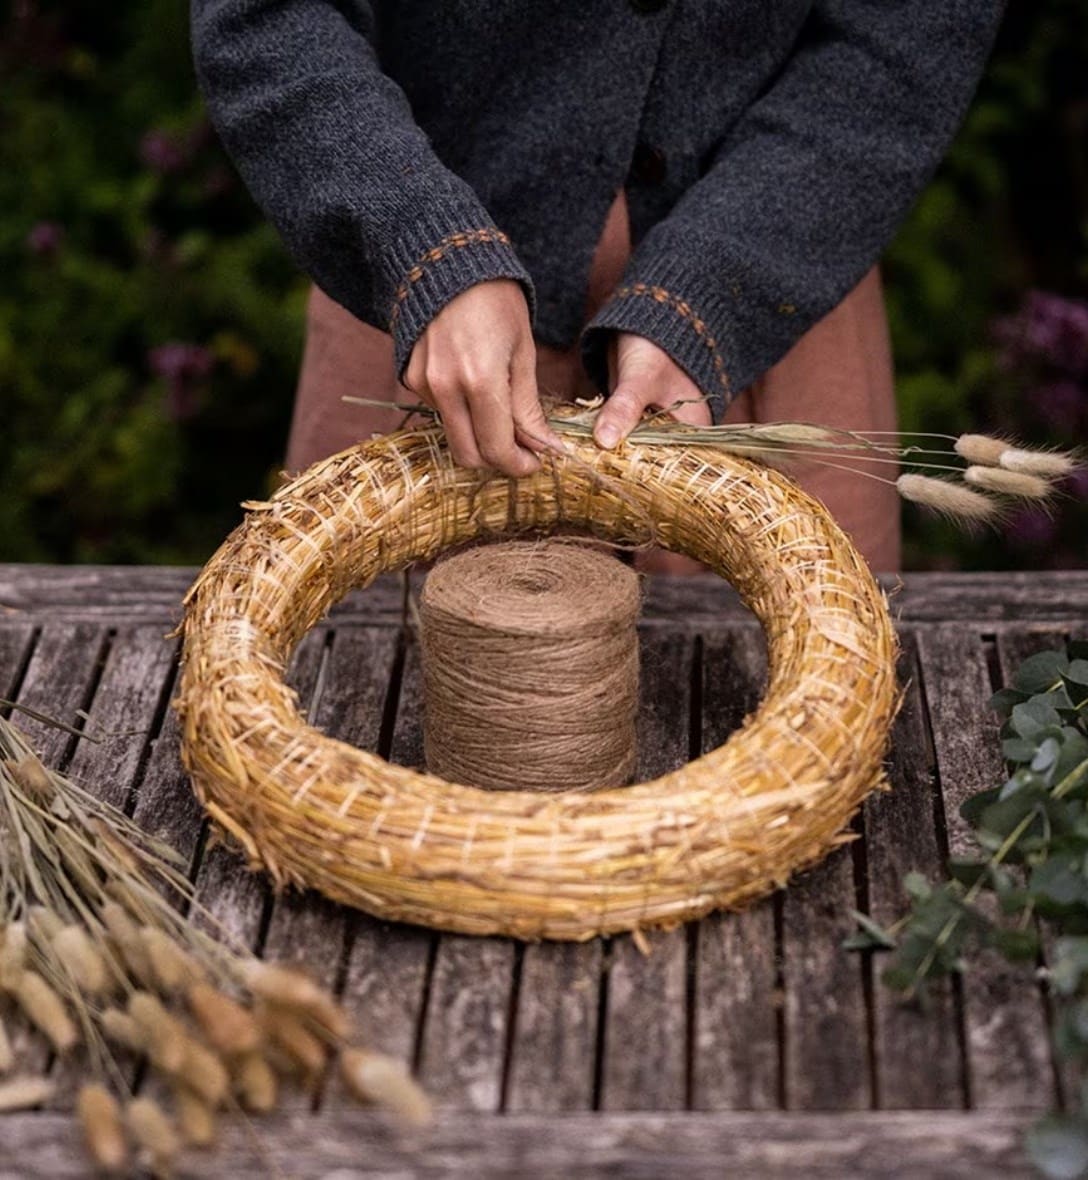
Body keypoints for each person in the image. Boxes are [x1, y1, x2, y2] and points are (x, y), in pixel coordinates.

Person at [190, 1, 1005, 574]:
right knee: (376, 711)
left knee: (784, 729)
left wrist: (715, 285)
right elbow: (271, 12)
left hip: (777, 275)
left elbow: (907, 33)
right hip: (419, 305)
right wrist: (420, 244)